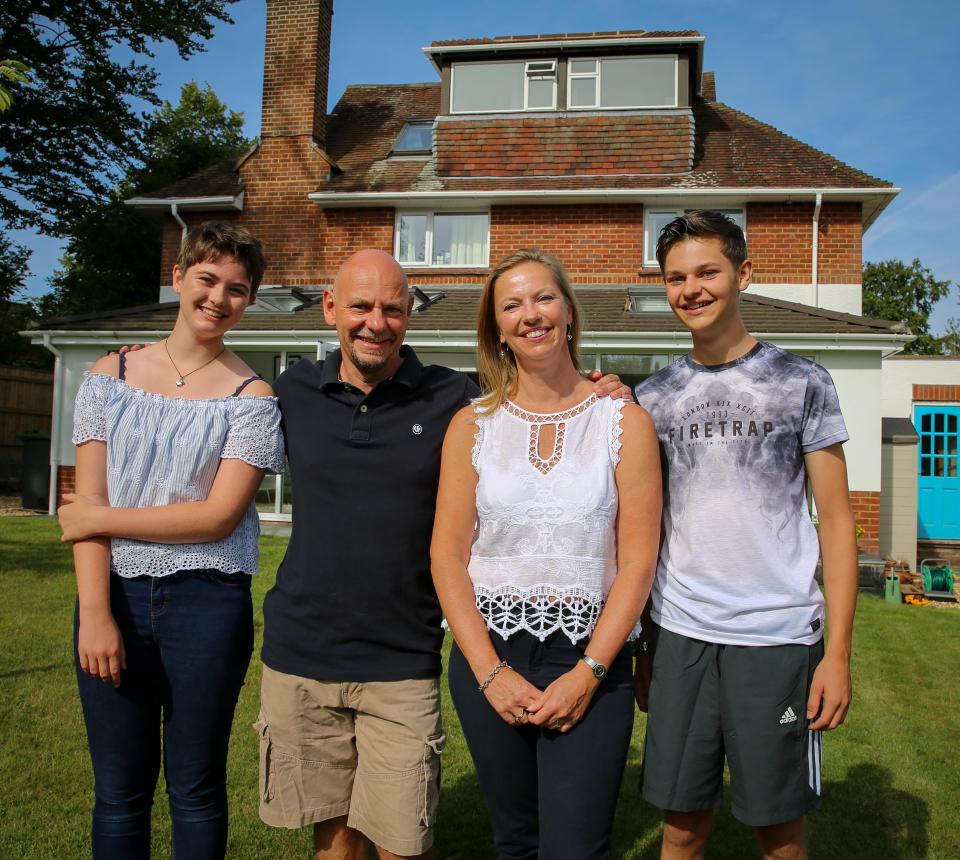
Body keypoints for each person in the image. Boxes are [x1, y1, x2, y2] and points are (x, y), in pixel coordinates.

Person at [256, 249, 631, 860]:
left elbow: (534, 392)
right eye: (360, 306)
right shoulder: (289, 390)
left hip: (403, 655)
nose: (375, 322)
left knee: (404, 841)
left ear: (409, 315)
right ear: (330, 309)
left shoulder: (452, 399)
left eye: (391, 308)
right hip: (301, 649)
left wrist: (597, 387)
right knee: (332, 839)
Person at [633, 211, 857, 860]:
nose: (690, 289)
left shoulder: (802, 382)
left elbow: (837, 522)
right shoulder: (654, 396)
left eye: (707, 271)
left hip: (777, 638)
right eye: (676, 277)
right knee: (681, 828)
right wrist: (646, 647)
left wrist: (837, 655)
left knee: (778, 831)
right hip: (682, 634)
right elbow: (643, 528)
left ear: (743, 274)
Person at [59, 222, 286, 859]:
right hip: (115, 599)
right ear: (180, 277)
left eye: (237, 289)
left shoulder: (252, 396)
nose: (219, 298)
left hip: (207, 605)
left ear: (249, 301)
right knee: (119, 791)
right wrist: (97, 614)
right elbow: (89, 501)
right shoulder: (112, 373)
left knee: (195, 787)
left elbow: (217, 518)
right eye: (208, 279)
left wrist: (99, 518)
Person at [430, 248, 662, 860]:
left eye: (543, 298)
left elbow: (638, 561)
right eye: (512, 305)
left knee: (576, 849)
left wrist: (588, 673)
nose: (530, 315)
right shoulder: (471, 425)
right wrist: (489, 672)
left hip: (593, 655)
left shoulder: (623, 421)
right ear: (497, 328)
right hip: (491, 654)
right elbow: (447, 556)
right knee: (516, 843)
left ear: (568, 311)